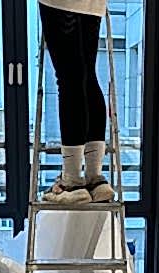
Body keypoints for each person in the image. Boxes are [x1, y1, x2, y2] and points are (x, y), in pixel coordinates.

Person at [38, 0, 114, 204]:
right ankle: (95, 179)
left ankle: (71, 182)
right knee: (87, 77)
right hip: (93, 4)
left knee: (69, 79)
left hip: (61, 3)